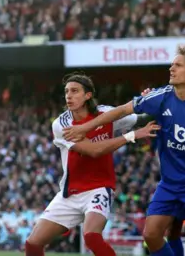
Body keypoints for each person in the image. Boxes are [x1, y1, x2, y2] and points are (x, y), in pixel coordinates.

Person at [63, 46, 185, 256]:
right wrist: (84, 127)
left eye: (178, 65)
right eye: (172, 64)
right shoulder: (160, 97)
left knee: (173, 232)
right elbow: (121, 110)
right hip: (170, 183)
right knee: (151, 235)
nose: (171, 68)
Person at [25, 73, 160, 256]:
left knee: (91, 237)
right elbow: (94, 150)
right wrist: (131, 136)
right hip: (70, 194)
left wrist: (150, 99)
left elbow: (140, 117)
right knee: (33, 244)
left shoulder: (106, 114)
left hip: (99, 188)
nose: (68, 96)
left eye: (74, 91)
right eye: (66, 92)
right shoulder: (62, 124)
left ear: (88, 95)